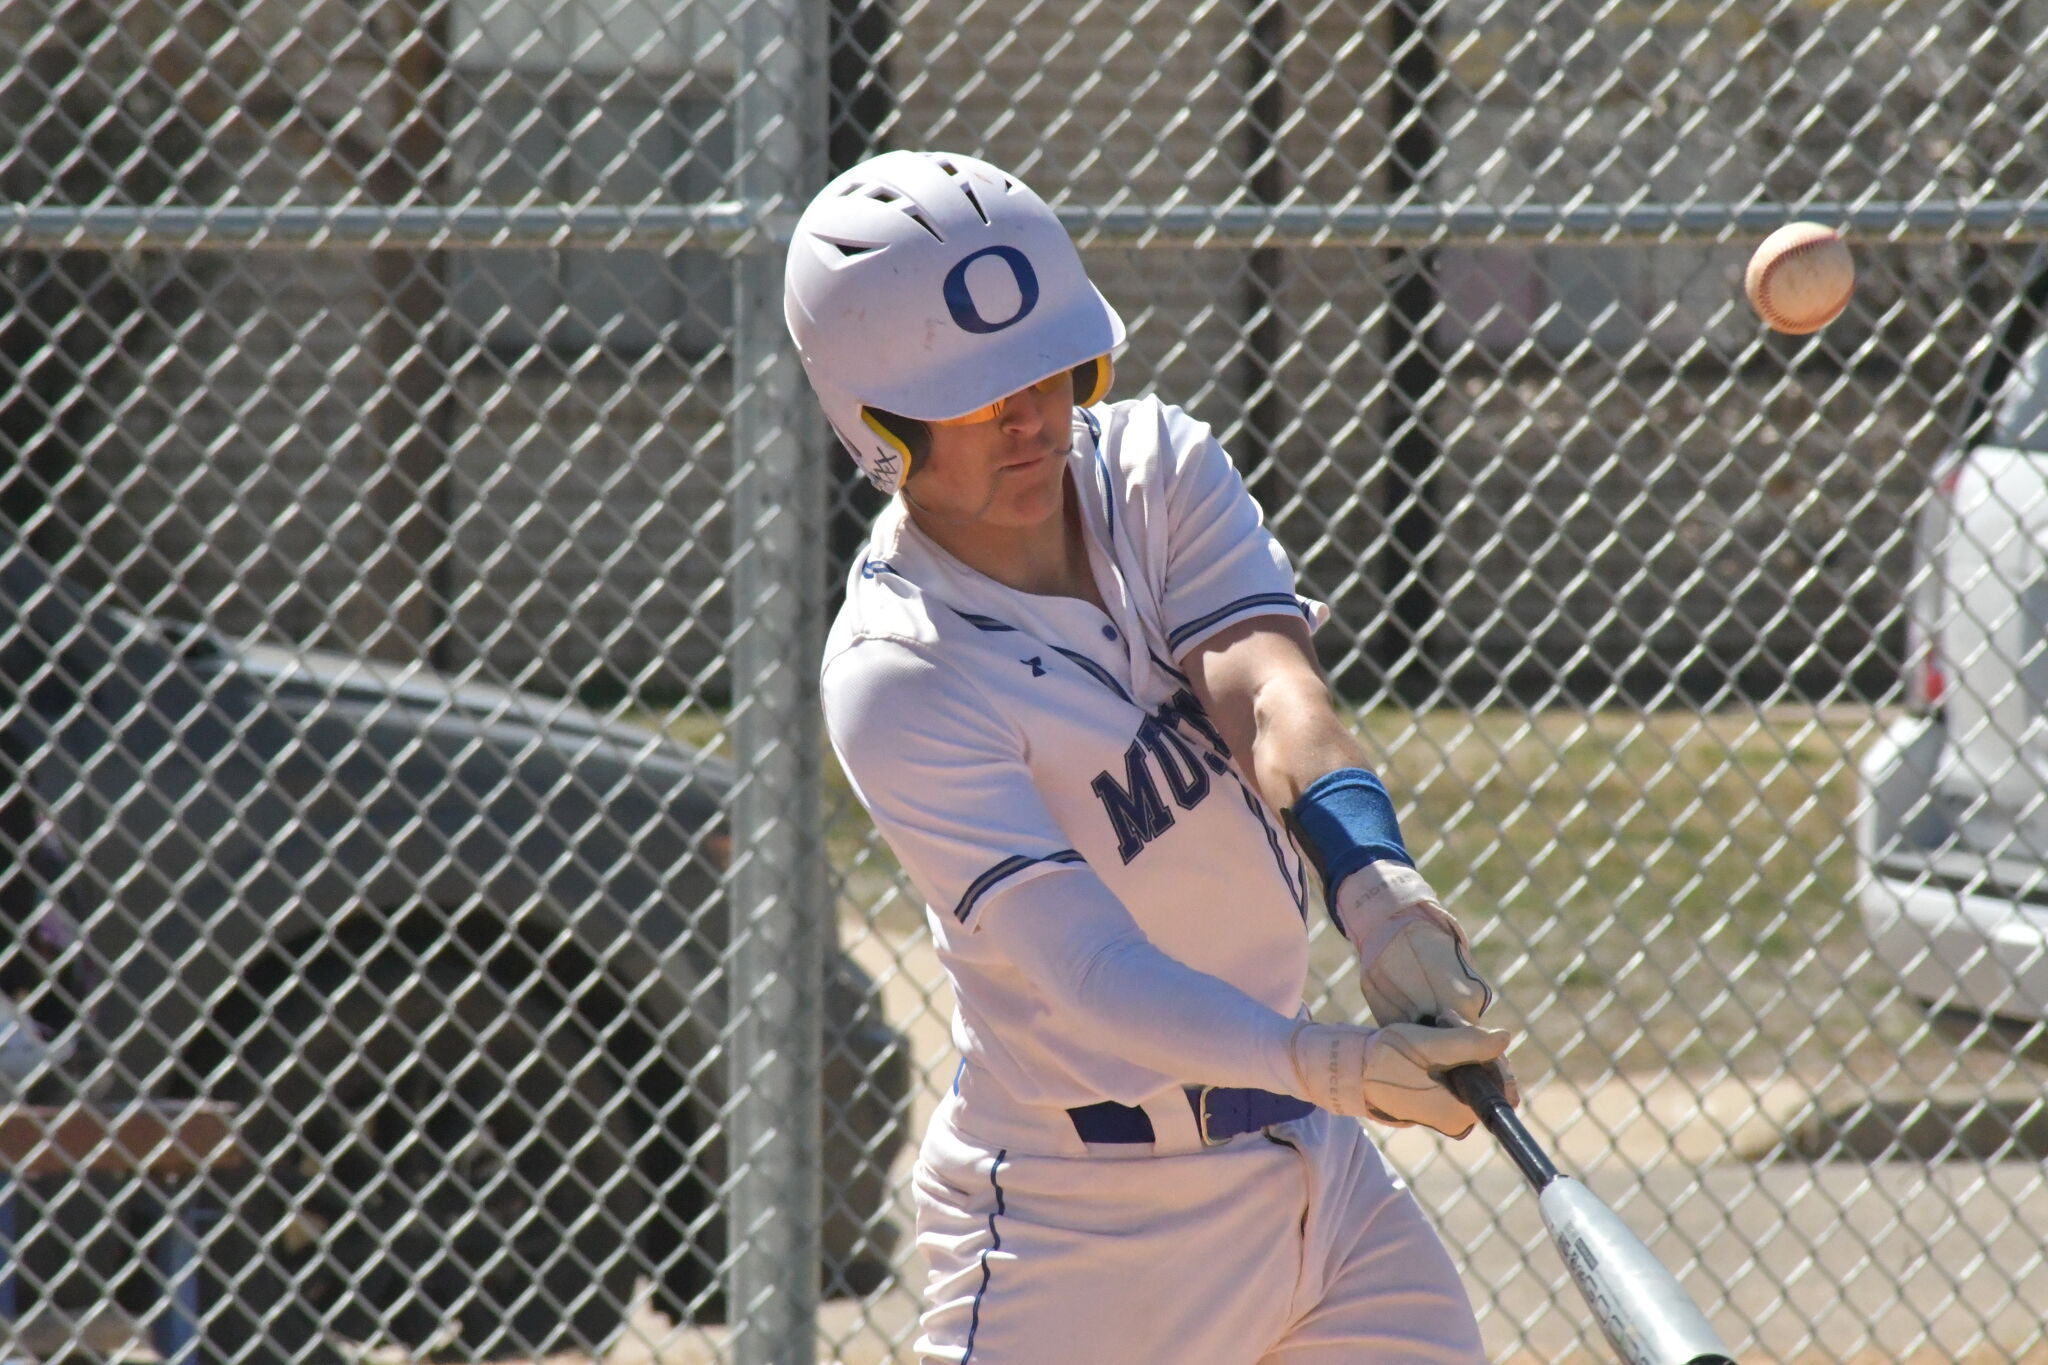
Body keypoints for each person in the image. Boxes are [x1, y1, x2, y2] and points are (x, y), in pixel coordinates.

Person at [786, 150, 1517, 1365]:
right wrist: (1329, 1063)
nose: (1029, 416)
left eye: (1047, 366)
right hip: (1083, 1236)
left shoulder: (1151, 468)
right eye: (976, 395)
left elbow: (1268, 689)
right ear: (878, 423)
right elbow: (1088, 968)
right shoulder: (896, 671)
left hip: (1315, 1187)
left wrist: (1378, 894)